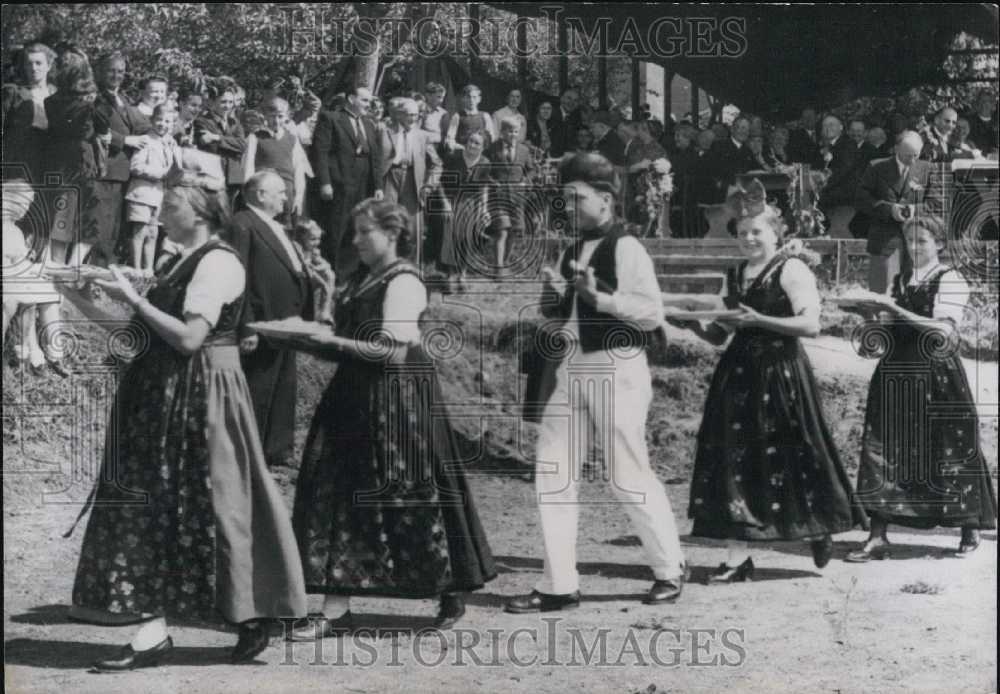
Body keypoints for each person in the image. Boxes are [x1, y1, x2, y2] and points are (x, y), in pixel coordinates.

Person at [68, 182, 307, 671]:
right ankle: (153, 633)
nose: (160, 213)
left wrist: (133, 297)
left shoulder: (218, 262)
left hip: (204, 392)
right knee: (156, 502)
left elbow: (189, 338)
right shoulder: (177, 260)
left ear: (200, 213)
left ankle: (252, 612)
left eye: (170, 205)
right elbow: (138, 337)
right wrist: (79, 299)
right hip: (163, 393)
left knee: (217, 499)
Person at [289, 199, 496, 638]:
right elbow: (343, 337)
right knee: (337, 490)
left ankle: (449, 586)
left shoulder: (404, 282)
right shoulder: (364, 278)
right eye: (356, 232)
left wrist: (331, 343)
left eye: (365, 232)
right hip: (354, 393)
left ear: (392, 234)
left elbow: (392, 352)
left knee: (411, 488)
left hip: (397, 394)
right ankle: (335, 607)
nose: (356, 240)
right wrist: (312, 329)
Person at [504, 153, 687, 614]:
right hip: (572, 366)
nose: (567, 205)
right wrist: (556, 298)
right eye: (564, 198)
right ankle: (559, 583)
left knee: (626, 473)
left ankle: (669, 569)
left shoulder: (627, 247)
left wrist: (599, 299)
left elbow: (650, 313)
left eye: (576, 197)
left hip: (617, 366)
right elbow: (566, 314)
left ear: (605, 200)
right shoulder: (571, 250)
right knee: (552, 471)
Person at [670, 201, 865, 581]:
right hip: (740, 375)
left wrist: (759, 319)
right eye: (742, 233)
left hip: (780, 373)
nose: (748, 239)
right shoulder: (735, 273)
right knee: (733, 462)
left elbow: (810, 325)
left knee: (796, 454)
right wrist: (691, 324)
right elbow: (720, 334)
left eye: (756, 231)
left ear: (777, 233)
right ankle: (736, 558)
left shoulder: (791, 269)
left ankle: (820, 526)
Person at [846, 216, 997, 561]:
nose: (913, 248)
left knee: (948, 446)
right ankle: (879, 534)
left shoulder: (951, 280)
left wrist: (891, 307)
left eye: (922, 241)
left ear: (940, 245)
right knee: (883, 447)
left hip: (935, 373)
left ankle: (968, 525)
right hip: (895, 371)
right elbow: (882, 336)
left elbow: (941, 332)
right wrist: (870, 315)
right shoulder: (900, 280)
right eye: (909, 241)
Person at [225, 170, 311, 468]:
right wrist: (245, 323)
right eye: (280, 192)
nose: (286, 197)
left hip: (284, 321)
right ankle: (249, 451)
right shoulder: (242, 224)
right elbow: (237, 276)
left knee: (283, 385)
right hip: (261, 322)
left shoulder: (275, 226)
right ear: (261, 194)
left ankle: (277, 449)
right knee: (258, 387)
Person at [43, 48, 115, 267]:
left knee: (62, 215)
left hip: (58, 160)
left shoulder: (51, 101)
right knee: (91, 217)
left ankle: (57, 264)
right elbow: (104, 125)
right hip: (82, 160)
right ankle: (73, 265)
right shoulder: (93, 101)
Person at [856, 130, 943, 293]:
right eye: (907, 155)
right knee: (881, 294)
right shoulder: (876, 167)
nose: (912, 160)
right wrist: (889, 209)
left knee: (915, 294)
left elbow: (936, 203)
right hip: (884, 239)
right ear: (896, 149)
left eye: (916, 155)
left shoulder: (928, 169)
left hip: (917, 241)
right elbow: (861, 199)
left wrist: (915, 209)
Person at [88, 51, 151, 267]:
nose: (116, 75)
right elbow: (93, 129)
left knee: (114, 226)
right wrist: (125, 141)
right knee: (101, 224)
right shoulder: (94, 97)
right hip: (105, 170)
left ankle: (105, 269)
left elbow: (142, 126)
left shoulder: (125, 99)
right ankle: (95, 271)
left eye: (121, 71)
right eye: (111, 70)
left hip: (123, 173)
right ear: (99, 71)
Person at [312, 86, 382, 276]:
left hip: (364, 184)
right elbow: (321, 153)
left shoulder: (369, 123)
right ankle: (332, 273)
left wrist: (378, 186)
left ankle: (352, 274)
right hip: (340, 184)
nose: (369, 104)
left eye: (370, 101)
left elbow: (375, 157)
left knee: (359, 227)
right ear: (351, 98)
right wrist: (325, 182)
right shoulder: (331, 118)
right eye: (365, 100)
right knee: (338, 229)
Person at [2, 179, 67, 376]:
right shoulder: (7, 229)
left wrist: (53, 269)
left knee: (49, 290)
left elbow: (20, 263)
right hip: (7, 281)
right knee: (26, 297)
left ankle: (54, 351)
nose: (26, 210)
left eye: (28, 205)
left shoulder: (14, 229)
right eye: (24, 204)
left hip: (13, 277)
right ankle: (29, 353)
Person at [377, 97, 443, 265]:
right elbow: (375, 160)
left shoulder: (422, 136)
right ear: (399, 115)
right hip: (390, 177)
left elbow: (437, 164)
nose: (413, 119)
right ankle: (385, 266)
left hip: (413, 181)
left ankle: (411, 267)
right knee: (387, 223)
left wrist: (429, 186)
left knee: (413, 229)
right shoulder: (384, 131)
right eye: (409, 115)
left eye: (416, 115)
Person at [125, 103, 179, 272]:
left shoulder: (170, 143)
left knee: (153, 233)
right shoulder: (146, 140)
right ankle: (136, 268)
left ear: (172, 124)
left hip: (159, 196)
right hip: (141, 193)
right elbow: (136, 166)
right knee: (139, 231)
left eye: (167, 121)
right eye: (159, 120)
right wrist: (160, 173)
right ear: (152, 120)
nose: (163, 124)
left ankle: (148, 269)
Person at [242, 96, 311, 227]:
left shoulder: (292, 139)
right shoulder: (255, 137)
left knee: (287, 231)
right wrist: (250, 194)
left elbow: (298, 170)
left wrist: (299, 197)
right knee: (264, 229)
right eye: (272, 116)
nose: (276, 121)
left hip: (287, 195)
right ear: (265, 116)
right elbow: (248, 168)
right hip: (264, 195)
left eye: (280, 116)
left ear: (287, 116)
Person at [439, 130, 492, 293]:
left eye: (477, 143)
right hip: (453, 201)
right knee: (451, 239)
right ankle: (449, 275)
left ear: (483, 147)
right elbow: (440, 184)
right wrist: (445, 203)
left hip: (472, 204)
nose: (472, 145)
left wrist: (484, 208)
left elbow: (484, 188)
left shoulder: (485, 163)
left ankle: (462, 275)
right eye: (470, 141)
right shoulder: (454, 158)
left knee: (467, 239)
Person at [486, 117, 537, 274]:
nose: (513, 134)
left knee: (514, 231)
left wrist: (525, 182)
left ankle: (505, 262)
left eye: (516, 131)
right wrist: (493, 182)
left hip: (517, 198)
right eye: (509, 131)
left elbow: (532, 170)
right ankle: (498, 267)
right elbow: (483, 168)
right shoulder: (492, 149)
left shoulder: (524, 150)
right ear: (502, 132)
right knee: (502, 230)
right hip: (498, 196)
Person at [195, 83, 246, 202]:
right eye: (223, 102)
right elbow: (209, 146)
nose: (227, 106)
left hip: (234, 177)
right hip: (214, 174)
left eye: (230, 102)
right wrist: (232, 144)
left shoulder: (235, 122)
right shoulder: (202, 121)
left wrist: (216, 138)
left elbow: (242, 145)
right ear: (213, 102)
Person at [817, 114, 860, 238]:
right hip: (831, 189)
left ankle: (825, 236)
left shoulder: (848, 144)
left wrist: (821, 186)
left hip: (844, 193)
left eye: (831, 124)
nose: (828, 128)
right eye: (825, 125)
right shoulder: (823, 146)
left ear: (841, 127)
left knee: (812, 201)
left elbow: (842, 172)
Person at [291, 218, 335, 323]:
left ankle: (324, 310)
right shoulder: (296, 248)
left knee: (330, 275)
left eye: (318, 239)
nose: (317, 243)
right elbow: (303, 264)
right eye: (312, 239)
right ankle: (324, 311)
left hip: (310, 271)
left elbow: (322, 263)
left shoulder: (313, 251)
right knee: (324, 284)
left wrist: (324, 267)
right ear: (301, 237)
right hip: (302, 274)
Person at [445, 84, 496, 152]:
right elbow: (450, 137)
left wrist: (482, 146)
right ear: (463, 99)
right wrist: (458, 147)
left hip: (480, 152)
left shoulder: (485, 116)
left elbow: (491, 136)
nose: (471, 100)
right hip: (462, 150)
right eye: (468, 97)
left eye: (474, 97)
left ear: (479, 99)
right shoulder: (458, 116)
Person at [965, 89, 998, 155]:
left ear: (993, 105)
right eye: (982, 101)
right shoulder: (968, 121)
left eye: (988, 101)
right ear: (977, 103)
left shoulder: (996, 123)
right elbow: (964, 139)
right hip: (973, 157)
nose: (984, 104)